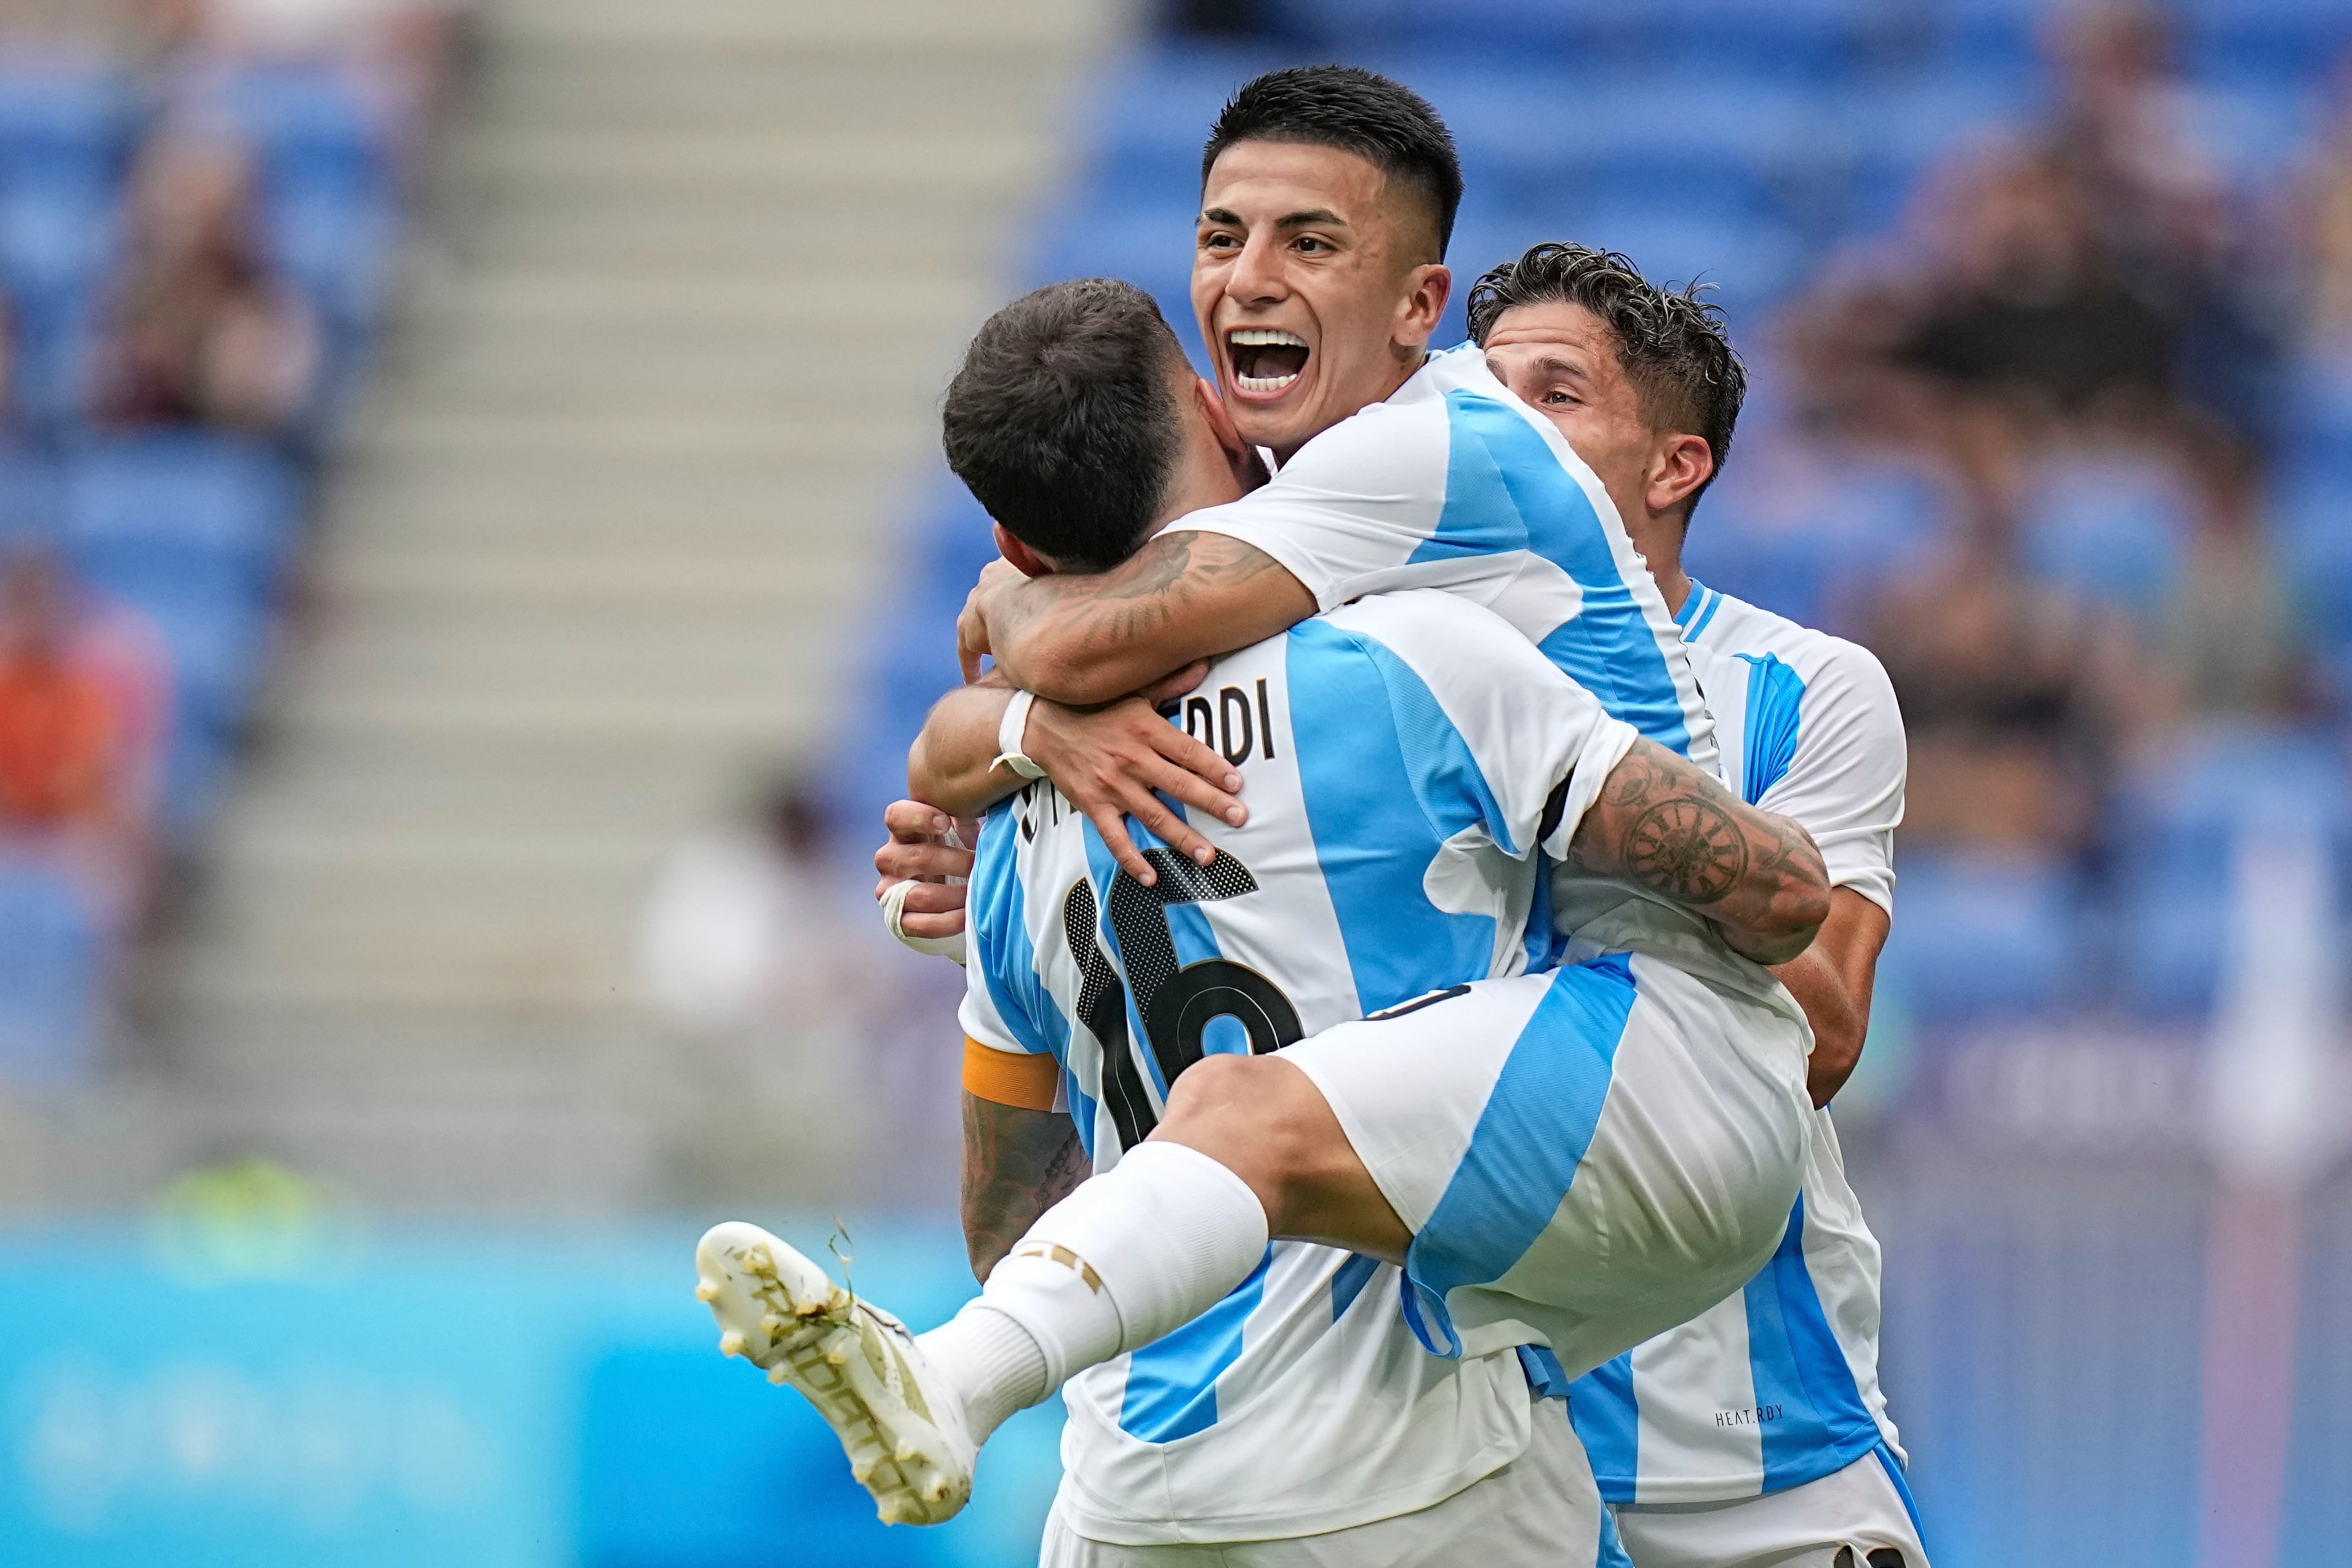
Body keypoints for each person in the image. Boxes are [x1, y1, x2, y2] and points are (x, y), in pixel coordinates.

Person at [699, 275, 1829, 1563]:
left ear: (1015, 553)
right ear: (1227, 430)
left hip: (1127, 1496)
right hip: (1409, 1475)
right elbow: (1765, 893)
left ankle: (961, 1371)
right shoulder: (1414, 662)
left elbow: (1009, 1225)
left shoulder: (999, 835)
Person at [1470, 244, 1927, 1568]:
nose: (1502, 422)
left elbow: (1826, 1034)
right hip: (1474, 1443)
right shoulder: (1381, 664)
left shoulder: (1809, 685)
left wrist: (1603, 781)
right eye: (1483, 389)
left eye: (1553, 391)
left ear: (1676, 465)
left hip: (1753, 1445)